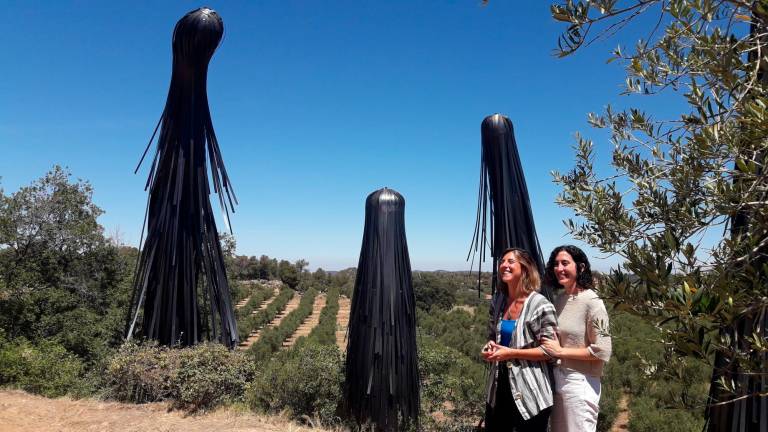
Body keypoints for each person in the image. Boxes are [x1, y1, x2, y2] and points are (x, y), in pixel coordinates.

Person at [481, 248, 558, 432]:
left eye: (510, 261)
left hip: (530, 391)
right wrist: (489, 347)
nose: (504, 265)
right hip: (499, 389)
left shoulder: (540, 305)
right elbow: (494, 337)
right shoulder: (499, 302)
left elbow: (551, 351)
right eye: (502, 261)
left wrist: (511, 353)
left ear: (524, 268)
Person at [542, 245, 612, 432]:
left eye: (565, 263)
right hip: (559, 378)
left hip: (581, 382)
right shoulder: (560, 299)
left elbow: (603, 350)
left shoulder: (593, 302)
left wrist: (561, 351)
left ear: (580, 268)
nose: (559, 268)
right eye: (556, 264)